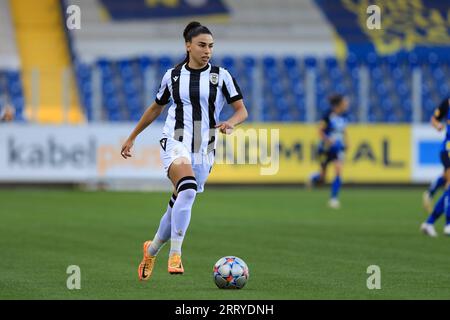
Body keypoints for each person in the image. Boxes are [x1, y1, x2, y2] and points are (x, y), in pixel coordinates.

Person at [121, 21, 248, 280]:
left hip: (205, 146)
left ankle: (152, 248)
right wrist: (132, 137)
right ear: (188, 45)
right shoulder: (173, 76)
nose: (207, 51)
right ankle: (175, 254)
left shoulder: (221, 76)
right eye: (202, 45)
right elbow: (156, 107)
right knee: (187, 188)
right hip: (175, 139)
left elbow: (241, 110)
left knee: (181, 199)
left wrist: (230, 123)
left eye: (211, 46)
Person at [308, 94, 349, 209]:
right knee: (323, 177)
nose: (347, 104)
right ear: (339, 104)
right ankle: (313, 178)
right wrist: (328, 140)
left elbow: (344, 131)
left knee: (338, 170)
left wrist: (347, 141)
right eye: (345, 102)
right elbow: (320, 131)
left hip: (337, 149)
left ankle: (334, 198)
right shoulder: (327, 115)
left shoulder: (344, 116)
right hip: (325, 149)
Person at [421, 97, 450, 237]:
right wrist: (438, 125)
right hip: (448, 149)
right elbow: (434, 118)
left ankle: (429, 222)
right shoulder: (447, 102)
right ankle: (448, 224)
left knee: (447, 184)